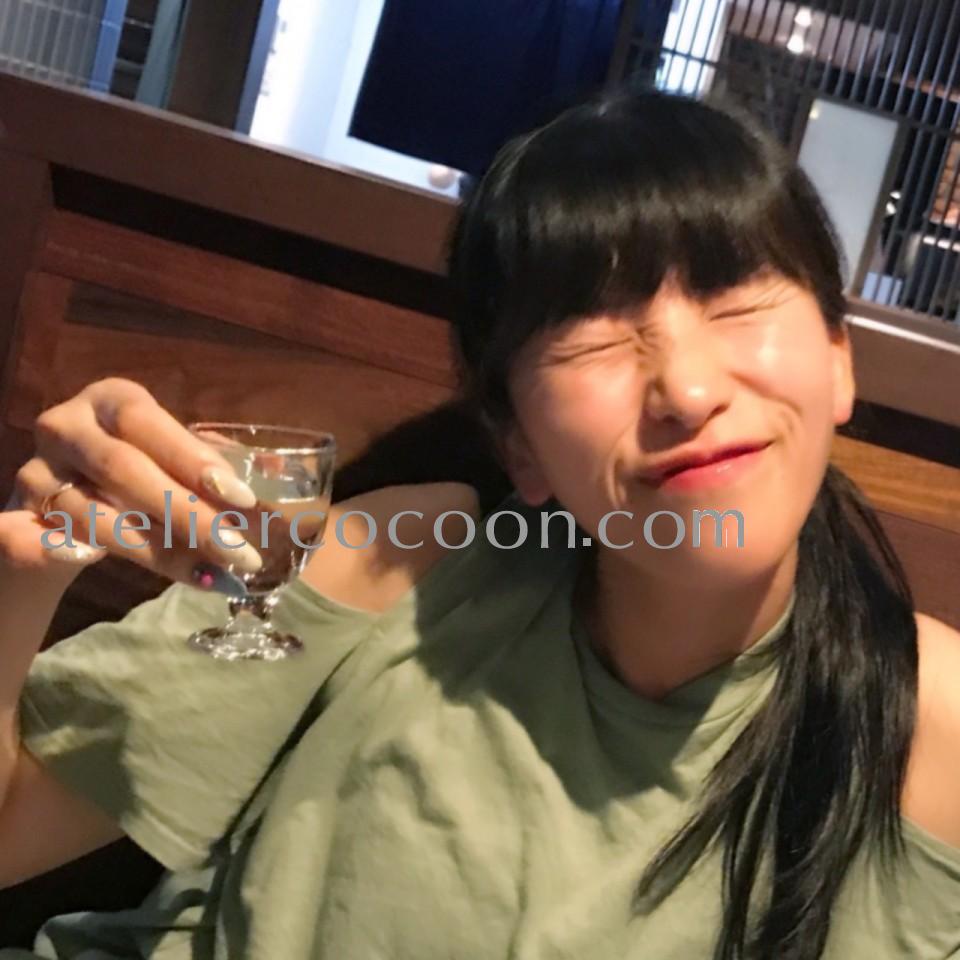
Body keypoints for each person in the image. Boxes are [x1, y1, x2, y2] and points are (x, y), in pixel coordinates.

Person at [1, 89, 959, 960]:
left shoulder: (930, 730)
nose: (689, 389)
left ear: (839, 359)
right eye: (592, 333)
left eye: (735, 297)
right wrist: (29, 562)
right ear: (519, 445)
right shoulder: (406, 562)